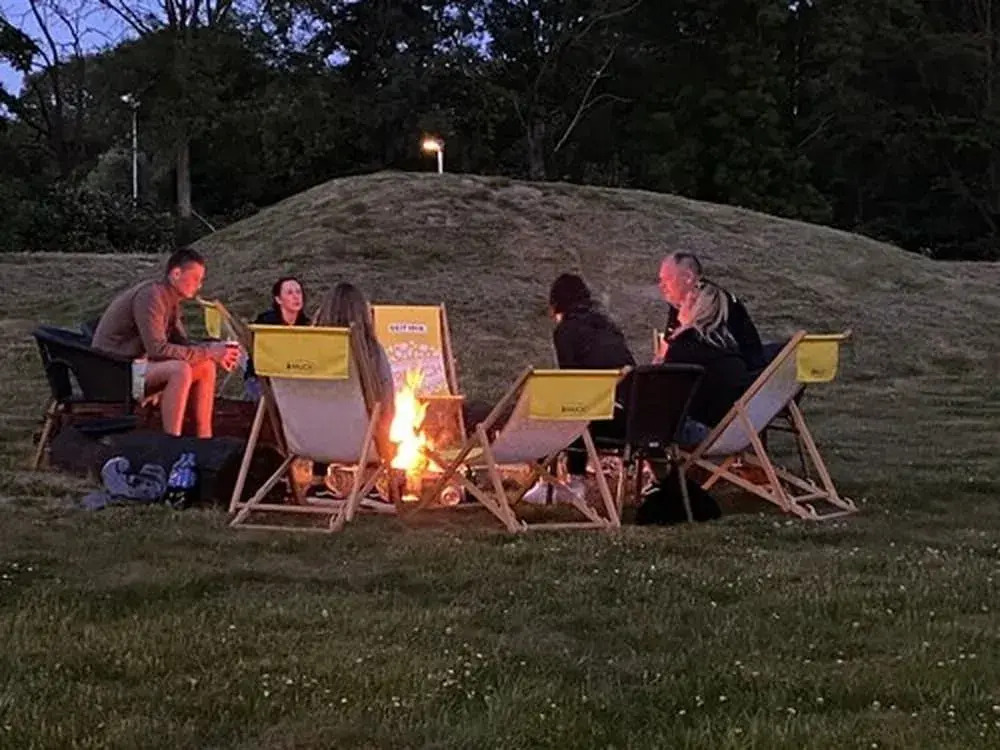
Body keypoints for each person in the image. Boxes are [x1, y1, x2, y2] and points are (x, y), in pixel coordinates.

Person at [91, 247, 241, 437]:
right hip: (114, 370)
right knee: (179, 370)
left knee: (206, 366)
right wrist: (209, 351)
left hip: (136, 366)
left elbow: (181, 344)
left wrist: (215, 350)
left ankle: (204, 436)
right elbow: (158, 349)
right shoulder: (151, 296)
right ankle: (172, 439)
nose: (199, 286)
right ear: (176, 274)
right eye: (195, 278)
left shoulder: (170, 301)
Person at [522, 273, 636, 505]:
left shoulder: (567, 330)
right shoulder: (608, 325)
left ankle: (557, 482)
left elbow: (573, 381)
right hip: (632, 418)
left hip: (601, 420)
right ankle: (567, 481)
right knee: (581, 408)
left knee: (564, 409)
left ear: (556, 303)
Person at [312, 284, 397, 504]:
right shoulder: (371, 351)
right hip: (360, 441)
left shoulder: (309, 351)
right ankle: (371, 482)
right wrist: (387, 427)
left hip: (310, 439)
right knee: (378, 415)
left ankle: (318, 480)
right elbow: (387, 401)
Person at [662, 282, 754, 443]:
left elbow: (665, 395)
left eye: (681, 304)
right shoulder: (728, 345)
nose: (677, 309)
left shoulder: (686, 345)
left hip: (705, 432)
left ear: (693, 308)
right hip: (738, 429)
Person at [656, 252, 765, 369]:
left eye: (667, 279)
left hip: (744, 369)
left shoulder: (711, 299)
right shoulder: (680, 303)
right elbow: (669, 344)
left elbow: (699, 346)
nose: (661, 286)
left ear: (688, 277)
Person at [244, 276, 309, 399]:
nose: (296, 297)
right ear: (278, 299)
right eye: (290, 293)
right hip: (262, 379)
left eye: (298, 292)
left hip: (293, 379)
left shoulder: (306, 325)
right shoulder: (265, 324)